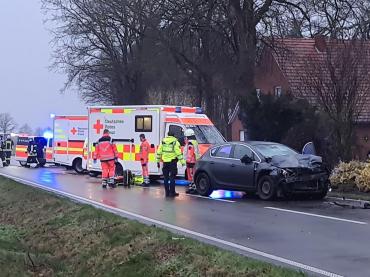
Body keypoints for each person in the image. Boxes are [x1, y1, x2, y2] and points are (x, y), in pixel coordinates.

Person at [156, 131, 185, 197]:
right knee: (172, 177)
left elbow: (159, 152)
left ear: (168, 135)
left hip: (165, 162)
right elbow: (178, 153)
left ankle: (167, 193)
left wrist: (158, 161)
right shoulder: (175, 142)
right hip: (172, 162)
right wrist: (182, 162)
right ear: (173, 135)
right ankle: (172, 193)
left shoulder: (163, 142)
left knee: (166, 178)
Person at [183, 129, 200, 194]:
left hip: (191, 161)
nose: (185, 138)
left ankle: (192, 188)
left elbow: (190, 153)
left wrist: (187, 160)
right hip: (194, 160)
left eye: (186, 136)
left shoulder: (190, 143)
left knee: (191, 175)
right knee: (193, 175)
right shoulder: (194, 142)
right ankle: (192, 187)